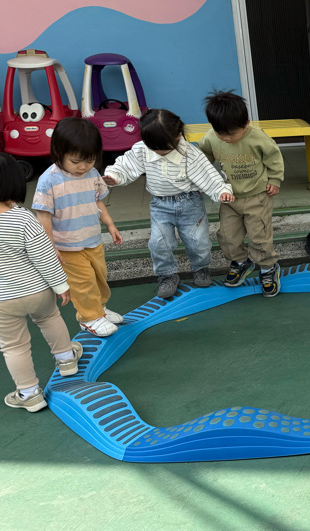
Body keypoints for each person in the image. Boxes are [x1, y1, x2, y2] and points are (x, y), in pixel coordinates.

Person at [103, 109, 233, 299]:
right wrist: (114, 175)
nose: (159, 152)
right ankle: (167, 275)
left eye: (163, 148)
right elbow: (125, 165)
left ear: (178, 135)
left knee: (198, 241)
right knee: (158, 243)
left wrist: (221, 191)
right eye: (154, 148)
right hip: (160, 205)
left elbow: (208, 174)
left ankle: (201, 268)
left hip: (190, 203)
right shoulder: (143, 149)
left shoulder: (190, 154)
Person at [0, 153, 84, 412]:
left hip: (3, 300)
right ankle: (66, 359)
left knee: (14, 346)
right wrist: (61, 285)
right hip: (37, 291)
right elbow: (45, 256)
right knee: (49, 319)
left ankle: (29, 394)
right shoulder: (23, 218)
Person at [33, 117, 124, 337]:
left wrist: (110, 224)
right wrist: (50, 246)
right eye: (75, 161)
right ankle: (89, 318)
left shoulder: (92, 175)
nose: (83, 167)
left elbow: (98, 202)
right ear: (59, 153)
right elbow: (43, 216)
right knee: (83, 282)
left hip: (92, 239)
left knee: (99, 277)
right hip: (67, 246)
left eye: (89, 160)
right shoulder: (49, 180)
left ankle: (99, 309)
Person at [198, 90, 285, 297]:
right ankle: (240, 261)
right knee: (227, 236)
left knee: (259, 236)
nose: (226, 139)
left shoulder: (258, 137)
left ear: (246, 123)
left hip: (258, 196)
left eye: (231, 134)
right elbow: (202, 159)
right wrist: (202, 180)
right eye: (221, 134)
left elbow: (274, 158)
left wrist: (275, 179)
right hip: (229, 198)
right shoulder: (211, 138)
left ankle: (268, 267)